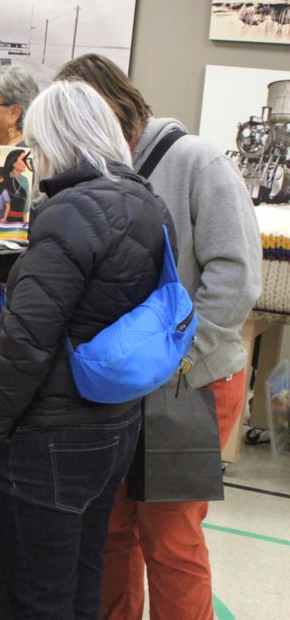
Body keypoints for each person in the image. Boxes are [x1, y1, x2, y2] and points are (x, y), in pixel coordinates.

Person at [56, 53, 262, 620]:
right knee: (112, 529)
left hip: (190, 383)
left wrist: (178, 359)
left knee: (170, 536)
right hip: (122, 384)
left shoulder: (198, 161)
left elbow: (237, 277)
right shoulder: (99, 171)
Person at [0, 81, 175, 619]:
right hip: (116, 422)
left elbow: (27, 337)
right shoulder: (146, 201)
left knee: (41, 599)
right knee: (85, 580)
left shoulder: (69, 212)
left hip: (53, 438)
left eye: (35, 144)